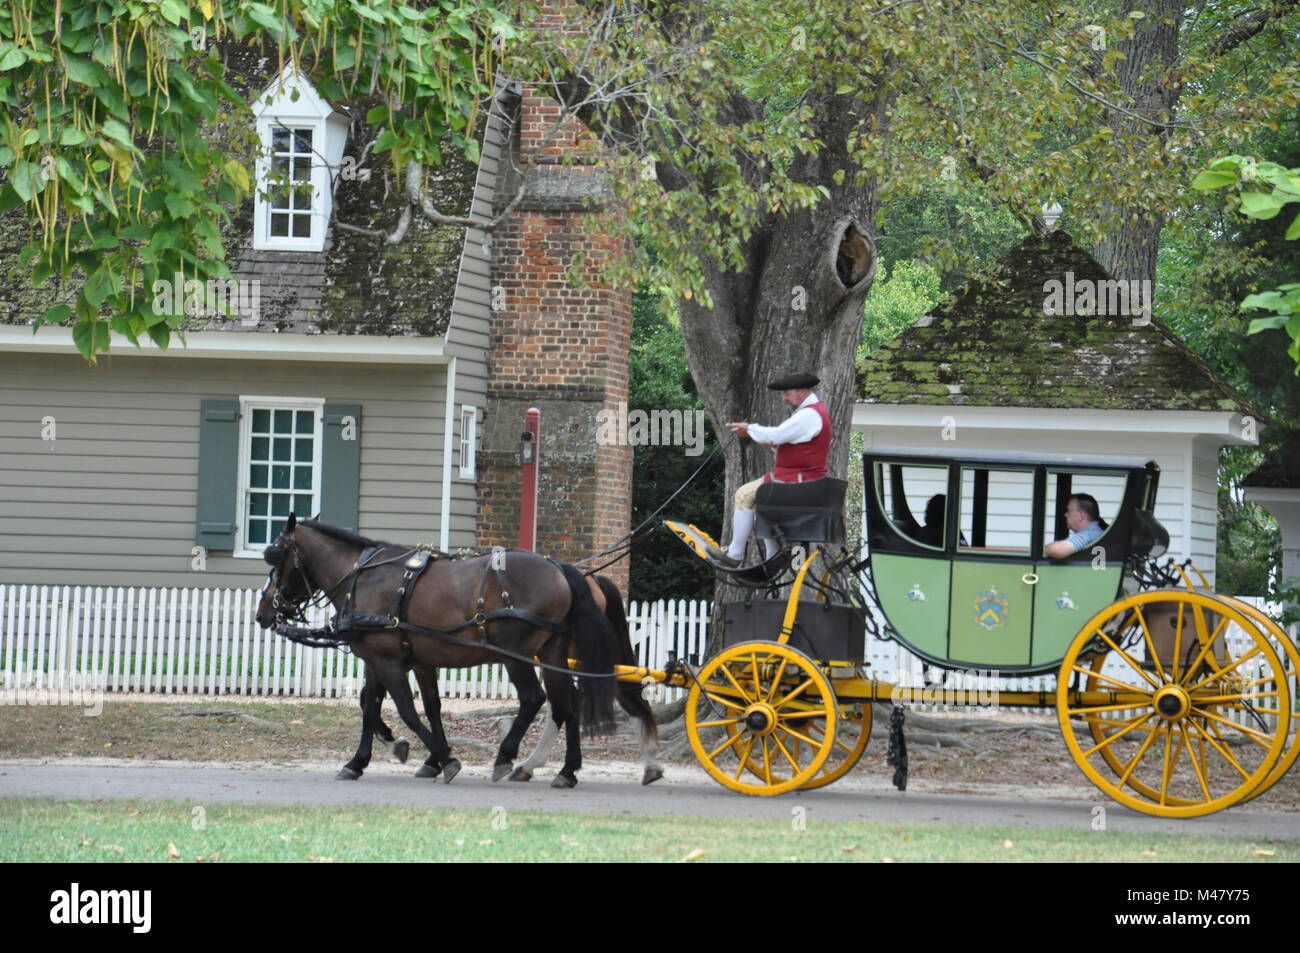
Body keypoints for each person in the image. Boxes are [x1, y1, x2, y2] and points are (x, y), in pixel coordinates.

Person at [704, 372, 830, 567]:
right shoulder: (812, 413)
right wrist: (762, 439)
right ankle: (772, 557)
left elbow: (777, 435)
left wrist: (750, 428)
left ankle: (735, 555)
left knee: (743, 495)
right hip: (803, 481)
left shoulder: (809, 415)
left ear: (802, 392)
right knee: (760, 509)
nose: (785, 398)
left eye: (788, 393)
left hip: (798, 483)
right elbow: (790, 445)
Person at [1045, 493, 1108, 558]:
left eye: (1068, 511)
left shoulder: (1090, 533)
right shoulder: (1096, 530)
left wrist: (1044, 549)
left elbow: (1056, 550)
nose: (1065, 515)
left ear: (1081, 516)